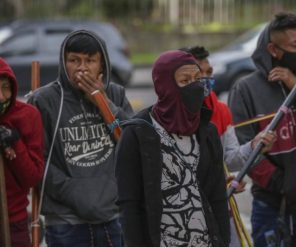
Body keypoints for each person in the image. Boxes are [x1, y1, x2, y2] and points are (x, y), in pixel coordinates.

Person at [228, 12, 296, 246]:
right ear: (274, 50)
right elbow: (244, 147)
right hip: (269, 204)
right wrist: (285, 183)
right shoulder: (245, 90)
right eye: (295, 45)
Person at [28, 30, 134, 246]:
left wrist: (103, 102)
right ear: (63, 62)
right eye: (74, 60)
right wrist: (74, 193)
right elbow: (39, 162)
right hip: (66, 222)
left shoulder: (116, 94)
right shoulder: (44, 100)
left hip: (114, 217)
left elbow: (133, 145)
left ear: (102, 65)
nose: (82, 68)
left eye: (90, 61)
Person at [115, 50, 230, 247]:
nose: (195, 86)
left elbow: (218, 196)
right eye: (185, 81)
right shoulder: (137, 133)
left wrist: (223, 241)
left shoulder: (208, 131)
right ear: (165, 86)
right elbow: (129, 205)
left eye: (197, 79)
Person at [181, 45, 277, 247]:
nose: (206, 79)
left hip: (220, 211)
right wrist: (215, 182)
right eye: (199, 74)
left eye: (209, 73)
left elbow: (230, 159)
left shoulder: (220, 110)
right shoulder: (165, 117)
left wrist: (254, 145)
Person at [0, 58, 44, 246]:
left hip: (14, 223)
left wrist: (14, 142)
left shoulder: (27, 116)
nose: (1, 97)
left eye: (5, 87)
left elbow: (32, 178)